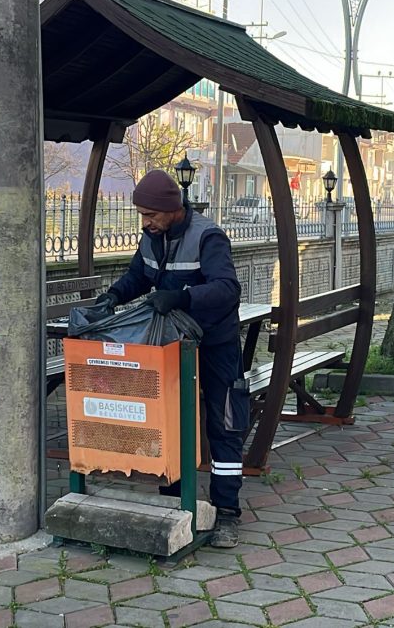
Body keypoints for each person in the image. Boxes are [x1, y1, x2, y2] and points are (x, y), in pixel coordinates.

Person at [98, 170, 248, 548]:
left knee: (225, 424)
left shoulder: (208, 237)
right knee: (172, 422)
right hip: (174, 346)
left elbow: (227, 289)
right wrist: (114, 295)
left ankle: (227, 512)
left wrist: (182, 297)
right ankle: (175, 501)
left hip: (215, 344)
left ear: (172, 208)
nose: (144, 222)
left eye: (150, 215)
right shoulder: (152, 237)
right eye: (141, 215)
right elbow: (138, 275)